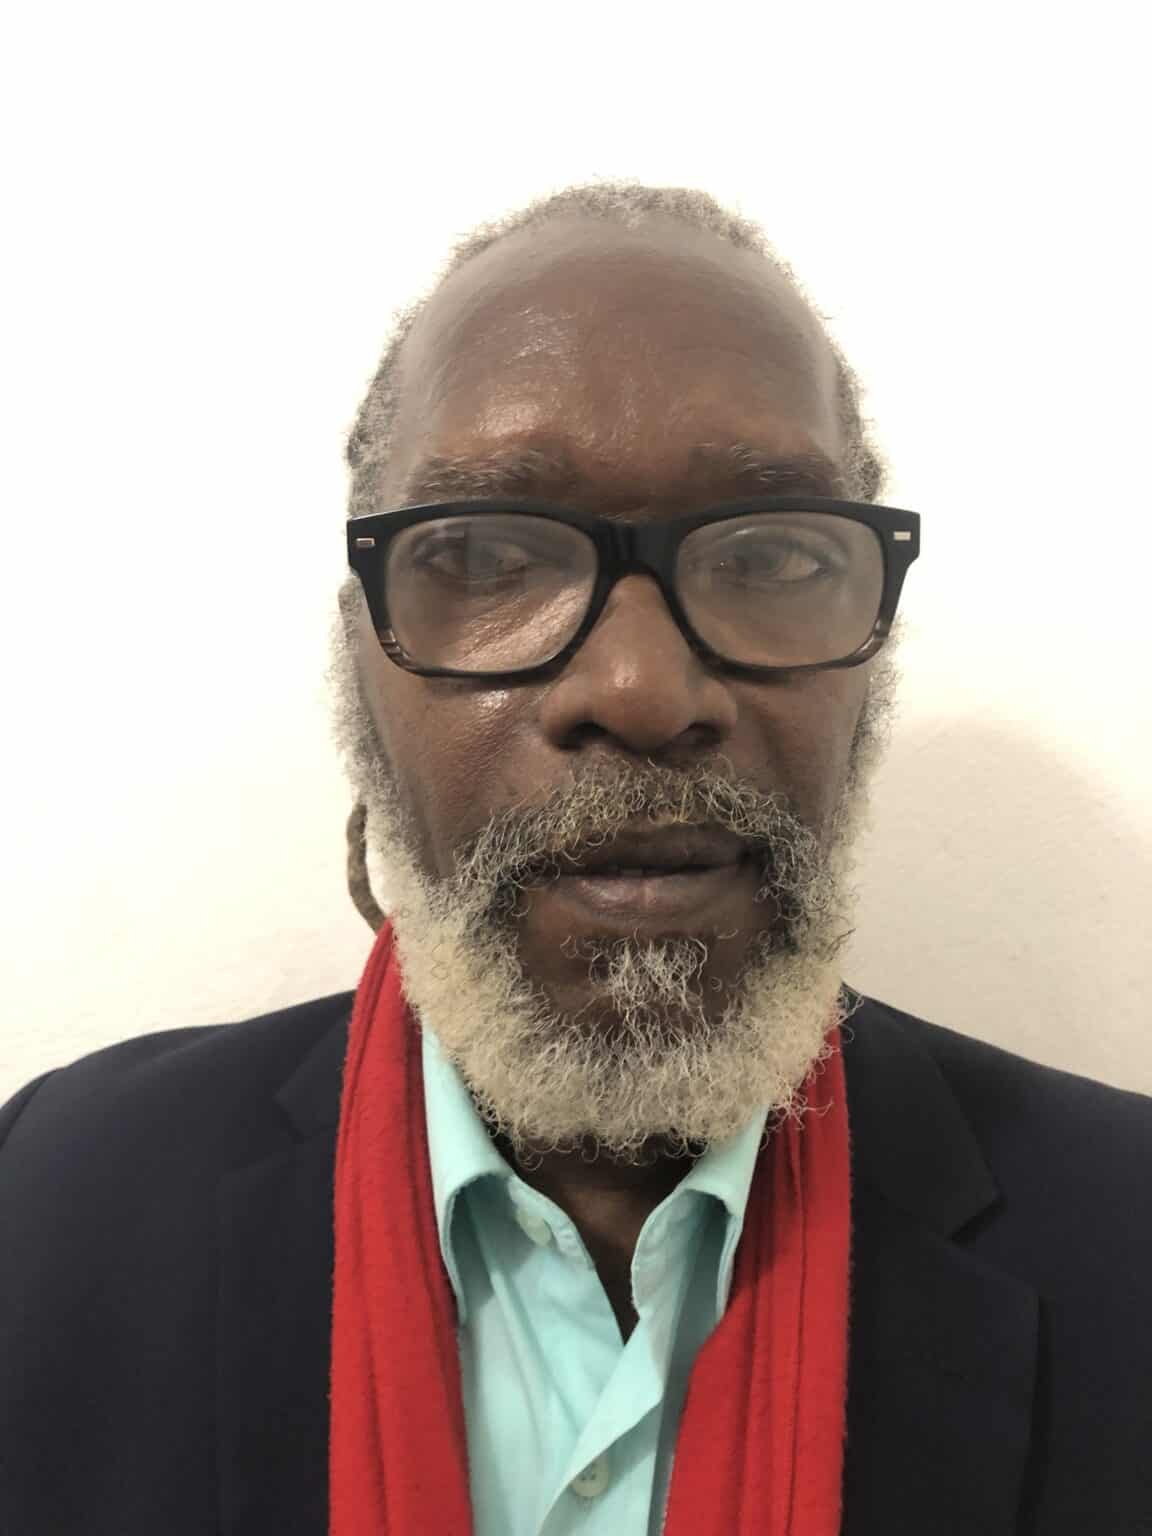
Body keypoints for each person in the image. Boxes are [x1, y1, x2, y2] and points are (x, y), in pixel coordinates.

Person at [1, 182, 1149, 1536]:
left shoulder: (1125, 1236)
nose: (642, 687)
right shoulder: (51, 1204)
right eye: (490, 552)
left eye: (771, 555)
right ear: (361, 664)